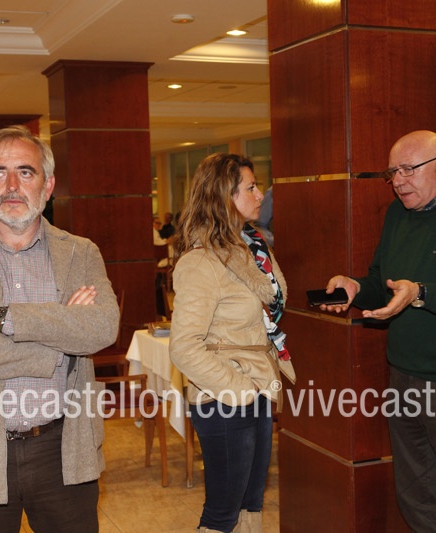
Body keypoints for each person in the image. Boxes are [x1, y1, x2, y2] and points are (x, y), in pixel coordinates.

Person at [0, 126, 120, 532]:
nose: (12, 186)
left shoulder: (81, 252)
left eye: (26, 172)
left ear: (48, 186)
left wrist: (1, 318)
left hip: (64, 449)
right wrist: (58, 341)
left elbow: (102, 327)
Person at [321, 130, 436, 532]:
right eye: (393, 172)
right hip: (405, 377)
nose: (398, 181)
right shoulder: (398, 214)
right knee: (417, 499)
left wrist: (422, 293)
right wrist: (356, 288)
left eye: (408, 169)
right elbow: (385, 283)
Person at [169, 153, 295, 533]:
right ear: (225, 195)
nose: (260, 195)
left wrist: (254, 390)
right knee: (222, 513)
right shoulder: (201, 261)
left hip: (256, 387)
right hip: (224, 398)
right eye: (251, 187)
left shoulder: (251, 249)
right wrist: (239, 390)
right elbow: (184, 346)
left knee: (250, 503)